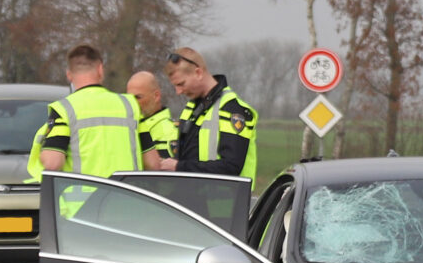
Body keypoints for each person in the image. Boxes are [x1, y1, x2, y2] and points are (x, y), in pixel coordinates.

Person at [27, 44, 146, 179]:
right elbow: (152, 163)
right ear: (100, 69)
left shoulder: (65, 110)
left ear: (69, 75)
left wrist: (42, 154)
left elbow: (53, 163)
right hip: (126, 197)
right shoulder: (130, 106)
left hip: (83, 199)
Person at [163, 47, 258, 182]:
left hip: (224, 201)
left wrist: (179, 167)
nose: (178, 91)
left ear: (198, 73)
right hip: (194, 197)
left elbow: (231, 167)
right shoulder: (192, 108)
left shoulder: (231, 109)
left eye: (181, 84)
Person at [128, 70, 176, 170]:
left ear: (156, 96)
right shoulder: (131, 125)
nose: (133, 103)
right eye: (130, 98)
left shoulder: (167, 131)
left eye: (138, 97)